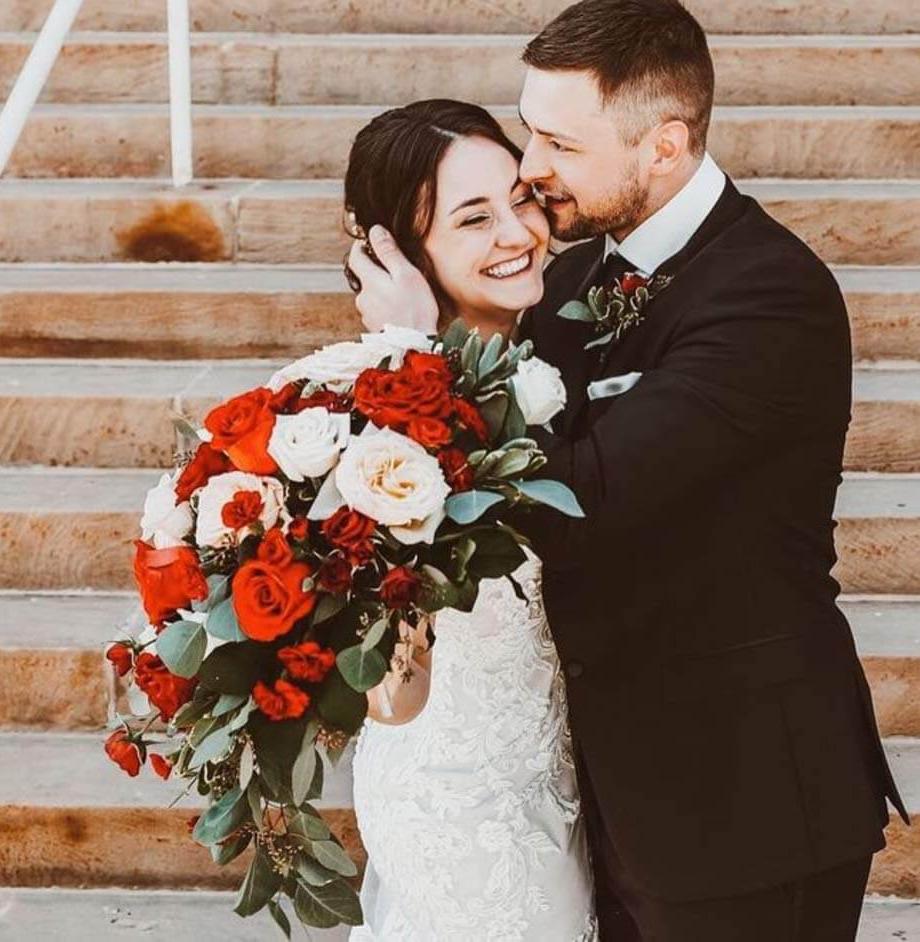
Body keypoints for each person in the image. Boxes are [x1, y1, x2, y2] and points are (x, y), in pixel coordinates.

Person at [346, 1, 907, 939]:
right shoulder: (565, 282)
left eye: (560, 143)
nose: (532, 169)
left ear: (665, 144)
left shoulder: (770, 294)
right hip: (594, 801)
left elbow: (579, 501)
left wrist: (409, 355)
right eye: (530, 132)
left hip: (742, 804)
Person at [343, 99, 599, 941]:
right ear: (403, 253)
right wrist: (412, 360)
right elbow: (392, 696)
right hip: (462, 801)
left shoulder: (548, 355)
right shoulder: (376, 422)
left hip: (555, 782)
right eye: (473, 218)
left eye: (519, 200)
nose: (519, 233)